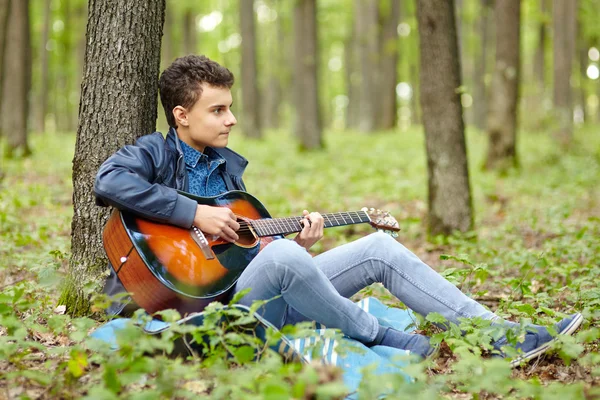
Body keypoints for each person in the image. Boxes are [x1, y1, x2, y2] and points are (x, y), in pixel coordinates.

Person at [94, 55, 583, 365]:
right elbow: (108, 181)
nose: (232, 119)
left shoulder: (226, 171)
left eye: (230, 107)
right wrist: (193, 214)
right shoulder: (153, 154)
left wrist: (293, 242)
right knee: (284, 260)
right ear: (181, 115)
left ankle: (502, 336)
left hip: (245, 290)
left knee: (376, 246)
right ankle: (382, 335)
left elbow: (240, 256)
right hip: (203, 310)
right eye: (218, 110)